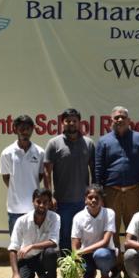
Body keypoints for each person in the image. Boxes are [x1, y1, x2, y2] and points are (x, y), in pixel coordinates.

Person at [95, 106, 139, 278]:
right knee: (111, 232)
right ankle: (116, 268)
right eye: (116, 118)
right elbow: (98, 169)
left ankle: (131, 267)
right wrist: (99, 195)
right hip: (112, 192)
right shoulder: (104, 141)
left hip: (134, 191)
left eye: (123, 117)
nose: (119, 120)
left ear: (129, 120)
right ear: (111, 121)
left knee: (133, 231)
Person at [44, 108, 96, 252]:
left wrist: (94, 195)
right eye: (68, 121)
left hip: (83, 202)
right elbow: (47, 172)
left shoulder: (89, 143)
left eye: (74, 121)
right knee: (65, 236)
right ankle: (67, 268)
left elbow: (94, 171)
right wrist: (50, 196)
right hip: (62, 202)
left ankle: (84, 267)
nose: (71, 123)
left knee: (84, 235)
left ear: (80, 123)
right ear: (62, 123)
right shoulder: (54, 143)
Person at [8, 188, 60, 278]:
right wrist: (15, 274)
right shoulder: (22, 221)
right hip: (26, 260)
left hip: (43, 259)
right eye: (38, 201)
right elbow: (13, 248)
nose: (41, 205)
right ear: (33, 202)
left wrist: (31, 246)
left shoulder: (55, 218)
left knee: (50, 252)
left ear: (49, 203)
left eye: (45, 202)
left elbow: (53, 242)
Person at [0, 115, 45, 234]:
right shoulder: (7, 153)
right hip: (15, 208)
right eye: (22, 128)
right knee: (16, 244)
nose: (25, 131)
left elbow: (40, 175)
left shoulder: (40, 152)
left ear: (32, 130)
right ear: (15, 129)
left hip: (34, 207)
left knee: (33, 244)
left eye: (28, 128)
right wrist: (17, 189)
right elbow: (6, 177)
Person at [71, 185, 117, 278]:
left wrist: (80, 251)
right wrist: (76, 257)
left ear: (102, 199)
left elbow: (105, 242)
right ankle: (90, 277)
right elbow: (75, 243)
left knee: (101, 254)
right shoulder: (78, 217)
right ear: (85, 199)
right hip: (86, 255)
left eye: (97, 197)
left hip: (105, 253)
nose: (94, 200)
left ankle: (105, 277)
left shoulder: (109, 213)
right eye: (90, 197)